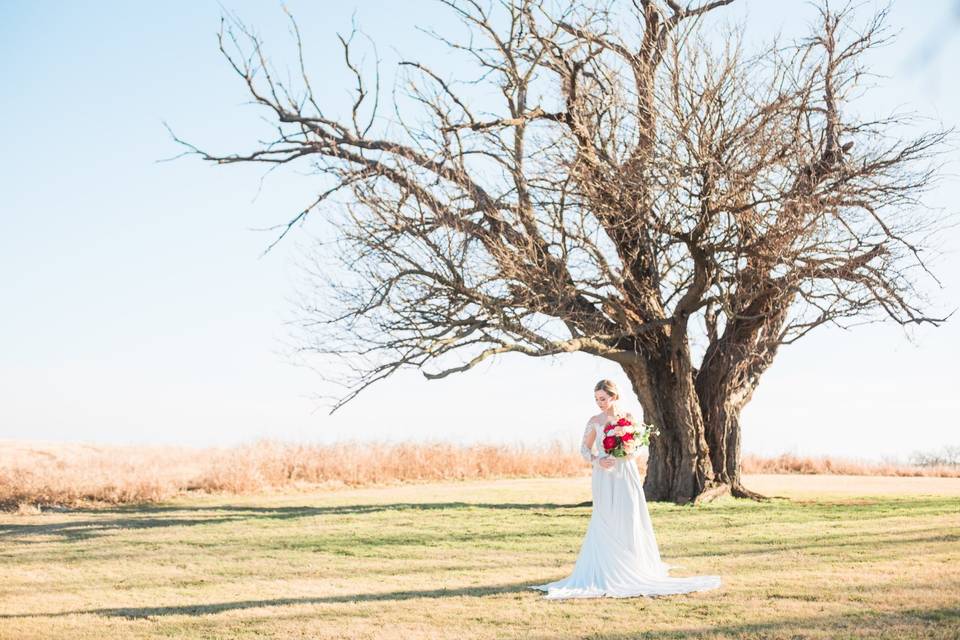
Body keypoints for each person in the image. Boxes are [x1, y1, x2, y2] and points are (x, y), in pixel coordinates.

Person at [530, 379, 722, 599]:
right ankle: (607, 567)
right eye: (596, 399)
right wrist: (597, 460)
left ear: (614, 396)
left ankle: (633, 562)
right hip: (604, 474)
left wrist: (631, 451)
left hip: (626, 472)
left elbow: (639, 444)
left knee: (629, 515)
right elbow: (584, 449)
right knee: (606, 516)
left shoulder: (628, 419)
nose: (599, 403)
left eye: (602, 398)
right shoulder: (595, 421)